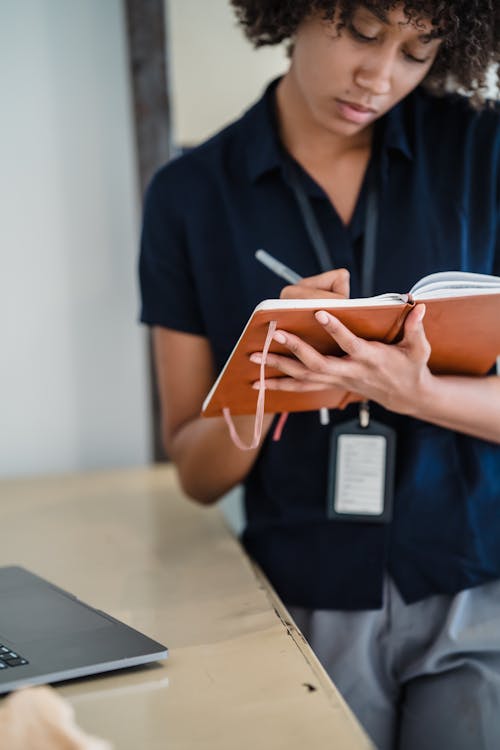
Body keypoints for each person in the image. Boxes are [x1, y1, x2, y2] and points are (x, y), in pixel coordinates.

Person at [139, 2, 500, 747]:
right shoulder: (190, 196)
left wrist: (415, 392)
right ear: (294, 10)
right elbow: (196, 475)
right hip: (302, 600)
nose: (379, 76)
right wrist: (262, 380)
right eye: (364, 33)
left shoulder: (483, 153)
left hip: (473, 585)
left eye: (418, 52)